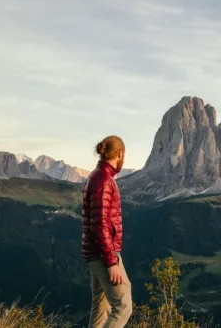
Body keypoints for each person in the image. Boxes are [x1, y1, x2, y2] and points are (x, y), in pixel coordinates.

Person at [82, 135, 132, 328]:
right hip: (103, 254)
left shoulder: (98, 175)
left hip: (96, 253)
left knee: (101, 307)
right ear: (119, 153)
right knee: (123, 306)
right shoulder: (103, 179)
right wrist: (111, 262)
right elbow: (100, 224)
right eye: (124, 154)